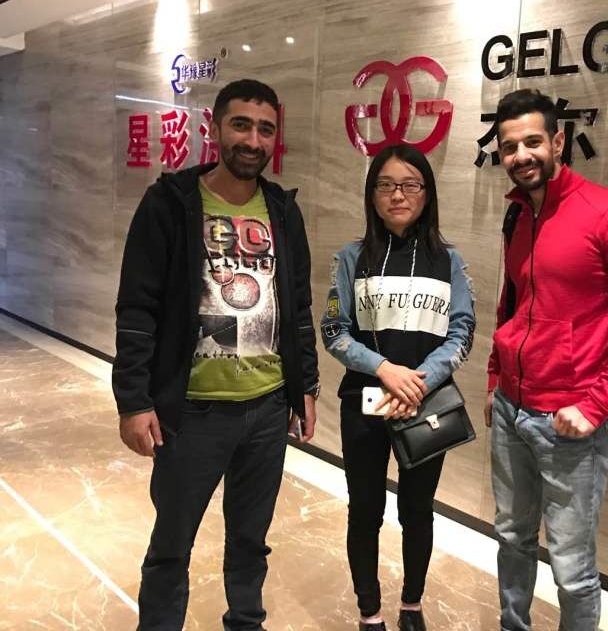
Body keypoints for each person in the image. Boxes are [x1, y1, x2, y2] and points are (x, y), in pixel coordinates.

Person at [112, 78, 320, 631]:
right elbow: (137, 307)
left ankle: (246, 622)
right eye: (241, 125)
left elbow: (297, 305)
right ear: (216, 128)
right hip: (192, 413)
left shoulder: (282, 211)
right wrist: (134, 400)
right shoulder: (170, 203)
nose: (253, 140)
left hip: (268, 409)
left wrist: (306, 387)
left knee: (250, 542)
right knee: (171, 545)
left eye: (265, 129)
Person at [484, 89, 608, 631]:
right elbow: (511, 304)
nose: (521, 155)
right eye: (509, 146)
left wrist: (595, 405)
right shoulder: (518, 215)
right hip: (511, 411)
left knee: (572, 569)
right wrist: (495, 380)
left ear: (558, 141)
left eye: (532, 141)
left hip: (568, 422)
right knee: (511, 538)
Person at [321, 143, 475, 631]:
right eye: (386, 185)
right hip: (363, 404)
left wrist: (420, 380)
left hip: (426, 406)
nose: (398, 195)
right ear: (372, 194)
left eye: (410, 185)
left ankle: (411, 605)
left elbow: (463, 331)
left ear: (427, 194)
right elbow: (333, 330)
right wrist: (385, 369)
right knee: (365, 511)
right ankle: (369, 612)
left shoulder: (449, 261)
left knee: (417, 510)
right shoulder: (352, 257)